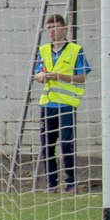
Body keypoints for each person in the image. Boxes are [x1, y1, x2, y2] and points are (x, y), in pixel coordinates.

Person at [34, 13, 91, 193]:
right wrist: (41, 76)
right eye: (49, 28)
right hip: (48, 104)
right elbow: (37, 74)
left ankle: (71, 183)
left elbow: (82, 78)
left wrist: (60, 76)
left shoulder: (76, 50)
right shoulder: (44, 50)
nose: (51, 31)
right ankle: (52, 185)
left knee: (66, 143)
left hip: (66, 104)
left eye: (55, 27)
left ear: (64, 29)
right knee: (47, 146)